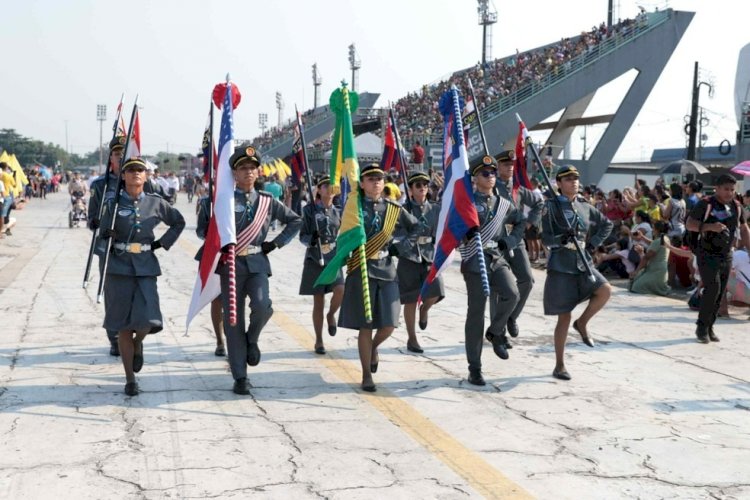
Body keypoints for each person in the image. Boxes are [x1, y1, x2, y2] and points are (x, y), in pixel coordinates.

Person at [217, 145, 302, 395]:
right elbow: (204, 230)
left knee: (262, 305)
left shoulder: (267, 201)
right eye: (243, 168)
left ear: (258, 172)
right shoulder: (224, 201)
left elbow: (295, 220)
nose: (248, 172)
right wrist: (221, 242)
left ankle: (252, 339)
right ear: (234, 173)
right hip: (230, 265)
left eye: (252, 168)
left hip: (257, 264)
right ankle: (240, 376)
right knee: (233, 320)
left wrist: (275, 243)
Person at [99, 157, 185, 396]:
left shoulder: (156, 203)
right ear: (123, 175)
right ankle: (130, 379)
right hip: (119, 267)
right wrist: (107, 234)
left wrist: (161, 243)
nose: (136, 173)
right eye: (131, 170)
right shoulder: (112, 202)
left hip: (146, 266)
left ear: (146, 176)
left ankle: (138, 344)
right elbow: (99, 233)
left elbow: (178, 222)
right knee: (123, 325)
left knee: (149, 319)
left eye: (140, 170)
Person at [337, 163, 418, 392]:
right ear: (362, 184)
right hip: (361, 268)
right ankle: (365, 375)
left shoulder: (393, 208)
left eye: (379, 179)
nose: (376, 182)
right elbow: (342, 236)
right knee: (366, 324)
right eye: (371, 179)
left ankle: (373, 347)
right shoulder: (353, 208)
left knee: (390, 323)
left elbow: (416, 228)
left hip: (386, 268)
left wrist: (400, 248)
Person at [541, 165, 613, 381]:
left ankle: (582, 323)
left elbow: (606, 225)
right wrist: (561, 240)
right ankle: (560, 364)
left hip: (583, 261)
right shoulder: (551, 207)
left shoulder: (585, 206)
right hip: (562, 264)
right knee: (564, 316)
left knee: (605, 290)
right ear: (559, 184)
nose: (574, 182)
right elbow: (544, 237)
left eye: (576, 178)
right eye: (568, 179)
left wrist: (593, 244)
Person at [460, 156, 525, 386]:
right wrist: (463, 233)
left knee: (513, 293)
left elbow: (521, 222)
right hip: (474, 260)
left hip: (496, 257)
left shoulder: (503, 204)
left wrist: (511, 240)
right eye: (485, 173)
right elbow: (451, 225)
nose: (491, 177)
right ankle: (474, 368)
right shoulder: (465, 201)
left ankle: (496, 331)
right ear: (475, 178)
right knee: (476, 314)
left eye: (493, 173)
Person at [685, 174, 750, 343]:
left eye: (732, 190)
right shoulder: (706, 204)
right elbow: (689, 224)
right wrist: (710, 227)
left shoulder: (736, 206)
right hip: (706, 253)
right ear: (717, 189)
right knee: (712, 288)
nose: (729, 193)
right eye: (726, 189)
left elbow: (744, 229)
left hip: (727, 253)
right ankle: (701, 327)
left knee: (720, 292)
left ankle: (710, 327)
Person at [493, 149, 543, 343]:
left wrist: (530, 222)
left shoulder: (518, 189)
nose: (509, 167)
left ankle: (512, 316)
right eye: (505, 164)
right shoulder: (493, 187)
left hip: (516, 238)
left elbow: (540, 203)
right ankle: (498, 332)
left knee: (527, 280)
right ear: (498, 167)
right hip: (497, 240)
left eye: (511, 165)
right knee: (499, 288)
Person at [394, 171, 444, 354]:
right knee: (410, 299)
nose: (422, 187)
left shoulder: (436, 209)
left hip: (429, 255)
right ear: (411, 189)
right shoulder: (403, 209)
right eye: (418, 185)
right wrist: (408, 237)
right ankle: (412, 338)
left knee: (436, 291)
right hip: (410, 256)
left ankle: (425, 310)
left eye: (425, 184)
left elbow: (442, 231)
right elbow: (396, 232)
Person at [88, 136, 126, 356]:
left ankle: (130, 335)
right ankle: (114, 337)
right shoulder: (100, 185)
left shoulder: (141, 181)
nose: (121, 158)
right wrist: (100, 225)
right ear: (111, 157)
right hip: (109, 247)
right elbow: (92, 217)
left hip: (134, 248)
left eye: (125, 154)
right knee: (112, 294)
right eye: (117, 154)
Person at [298, 176, 344, 355]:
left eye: (332, 186)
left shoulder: (338, 211)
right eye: (325, 186)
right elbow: (302, 235)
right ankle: (318, 339)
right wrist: (312, 239)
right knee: (318, 301)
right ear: (319, 189)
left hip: (333, 257)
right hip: (316, 258)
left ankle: (331, 314)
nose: (329, 189)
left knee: (340, 290)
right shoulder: (309, 210)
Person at [195, 193, 226, 357]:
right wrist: (207, 230)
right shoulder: (208, 203)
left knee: (233, 298)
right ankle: (220, 340)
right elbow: (199, 231)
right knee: (217, 298)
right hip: (213, 254)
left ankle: (231, 333)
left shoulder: (237, 198)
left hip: (235, 255)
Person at [630, 220, 671, 295]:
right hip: (659, 270)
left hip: (656, 271)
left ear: (657, 230)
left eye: (653, 228)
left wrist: (636, 271)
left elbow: (646, 258)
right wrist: (642, 237)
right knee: (634, 283)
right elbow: (654, 243)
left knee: (636, 287)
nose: (652, 230)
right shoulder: (665, 238)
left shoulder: (659, 241)